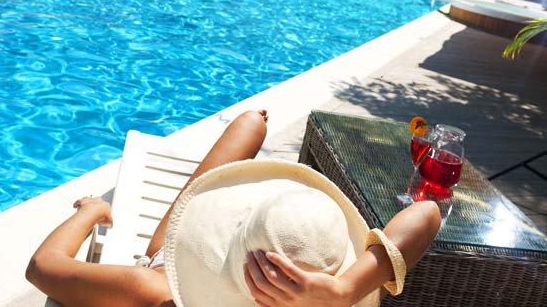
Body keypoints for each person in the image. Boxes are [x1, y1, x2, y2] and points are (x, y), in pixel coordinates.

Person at [26, 110, 441, 307]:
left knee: (249, 125)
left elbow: (43, 266)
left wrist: (93, 211)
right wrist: (343, 290)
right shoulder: (328, 295)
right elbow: (428, 215)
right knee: (250, 126)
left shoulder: (155, 293)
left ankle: (251, 125)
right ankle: (252, 126)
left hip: (165, 264)